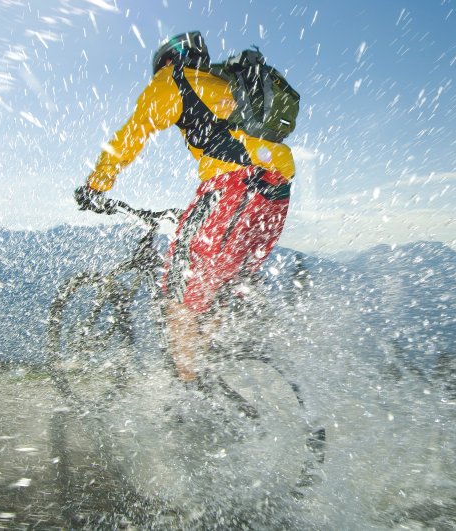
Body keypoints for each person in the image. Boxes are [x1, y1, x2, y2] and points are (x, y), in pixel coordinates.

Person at [75, 31, 295, 383]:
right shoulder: (221, 84)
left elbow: (129, 137)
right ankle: (207, 376)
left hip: (234, 187)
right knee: (220, 287)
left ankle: (189, 397)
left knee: (181, 289)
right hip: (276, 193)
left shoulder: (171, 80)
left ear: (166, 61)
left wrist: (96, 185)